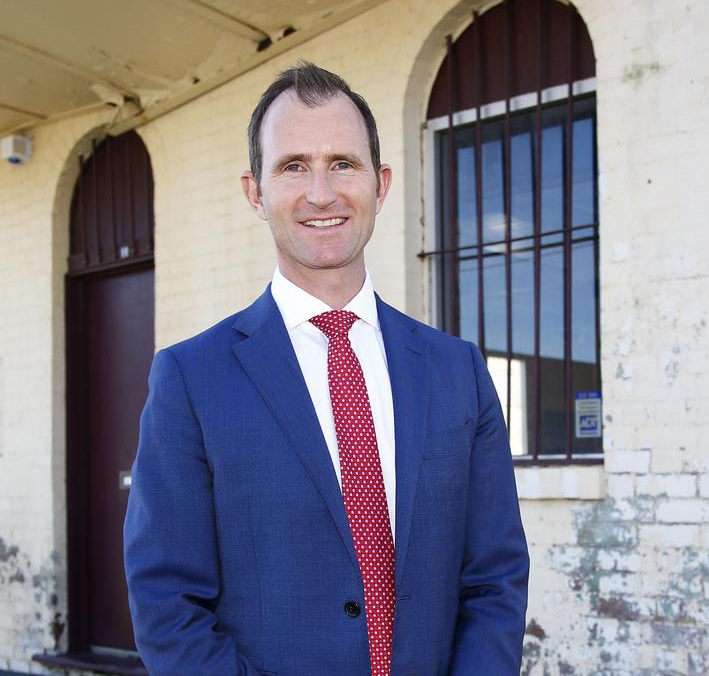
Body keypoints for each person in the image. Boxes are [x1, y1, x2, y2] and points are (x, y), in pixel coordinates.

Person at [123, 62, 529, 676]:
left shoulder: (458, 371)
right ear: (255, 192)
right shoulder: (190, 379)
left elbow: (494, 580)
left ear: (381, 183)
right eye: (293, 166)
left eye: (343, 162)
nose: (321, 192)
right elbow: (167, 603)